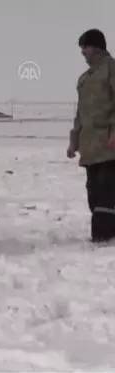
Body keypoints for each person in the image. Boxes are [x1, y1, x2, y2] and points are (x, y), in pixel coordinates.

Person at [67, 28, 115, 244]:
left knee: (106, 190)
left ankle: (104, 237)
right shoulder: (84, 78)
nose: (82, 52)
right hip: (90, 146)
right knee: (93, 192)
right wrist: (74, 140)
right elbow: (81, 113)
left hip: (108, 142)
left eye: (84, 47)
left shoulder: (111, 68)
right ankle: (104, 233)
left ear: (95, 46)